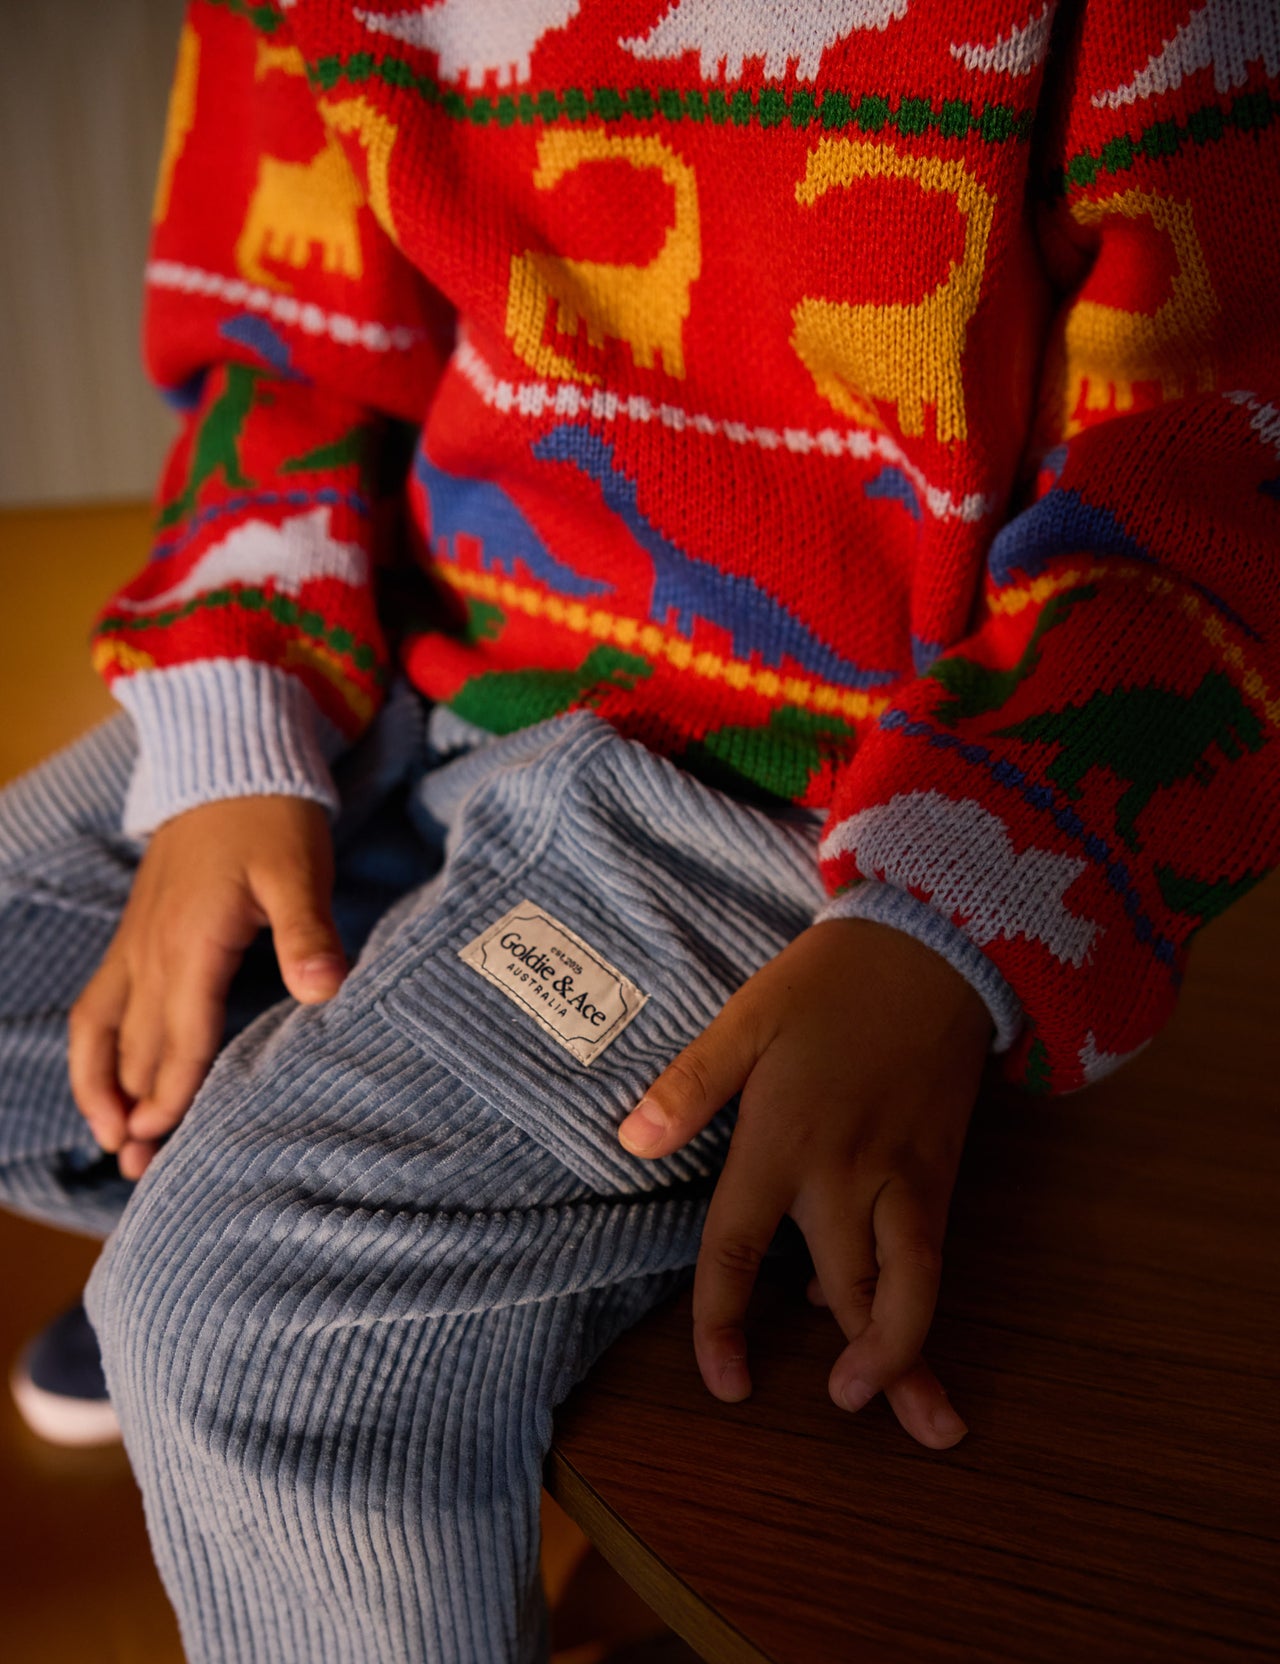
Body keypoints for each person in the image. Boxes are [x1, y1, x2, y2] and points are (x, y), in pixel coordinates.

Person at [3, 0, 1277, 1657]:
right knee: (158, 1147)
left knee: (238, 1325)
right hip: (400, 673)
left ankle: (325, 1293)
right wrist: (235, 712)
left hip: (808, 796)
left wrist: (940, 925)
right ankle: (404, 1252)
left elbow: (1212, 484)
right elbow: (281, 321)